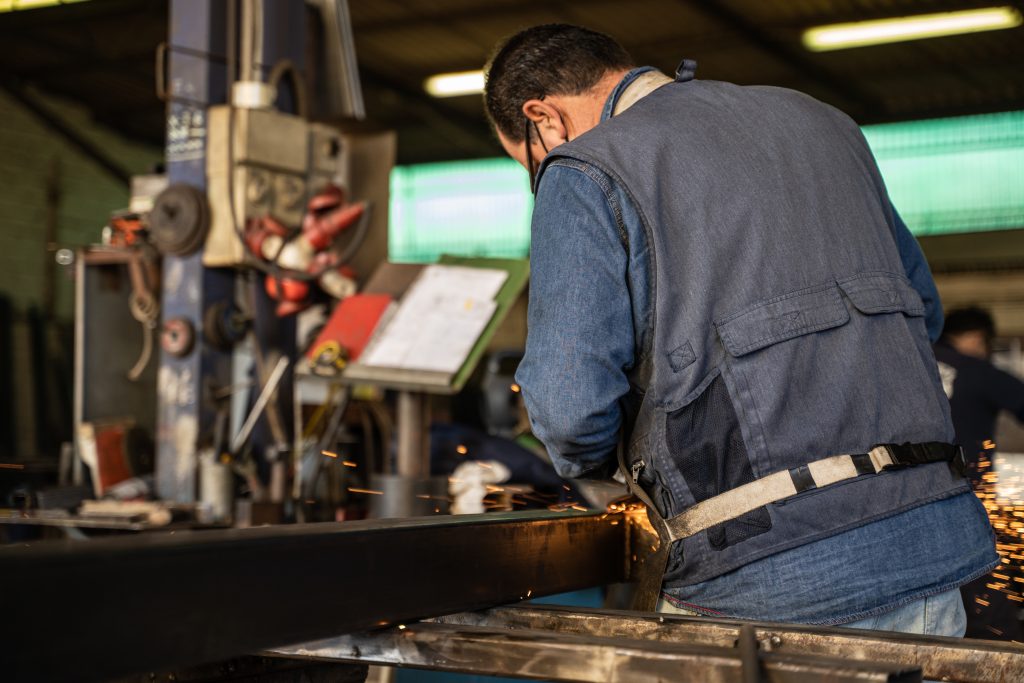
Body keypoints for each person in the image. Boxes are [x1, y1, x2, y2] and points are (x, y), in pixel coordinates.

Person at [483, 24, 997, 635]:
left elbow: (568, 403)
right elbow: (924, 312)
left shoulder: (583, 168)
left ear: (544, 119)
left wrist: (600, 476)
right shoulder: (826, 123)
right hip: (935, 545)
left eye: (528, 164)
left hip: (767, 581)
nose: (539, 176)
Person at [934, 306, 1024, 640]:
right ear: (976, 339)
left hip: (910, 507)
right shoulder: (976, 370)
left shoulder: (911, 367)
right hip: (969, 503)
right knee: (990, 602)